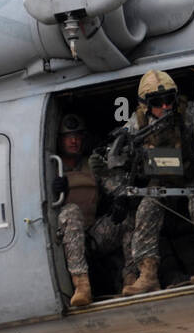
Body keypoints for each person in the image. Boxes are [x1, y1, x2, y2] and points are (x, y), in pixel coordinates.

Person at [120, 70, 194, 296]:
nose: (165, 107)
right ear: (145, 105)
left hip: (191, 181)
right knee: (146, 209)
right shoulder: (137, 125)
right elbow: (117, 157)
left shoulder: (189, 114)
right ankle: (148, 275)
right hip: (160, 185)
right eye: (157, 103)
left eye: (168, 100)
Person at [51, 114, 134, 307]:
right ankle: (82, 286)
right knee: (71, 211)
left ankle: (131, 278)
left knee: (126, 219)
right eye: (68, 136)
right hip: (65, 239)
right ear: (59, 140)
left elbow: (111, 184)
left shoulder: (91, 165)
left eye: (78, 136)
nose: (74, 141)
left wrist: (121, 197)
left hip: (93, 234)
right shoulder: (53, 167)